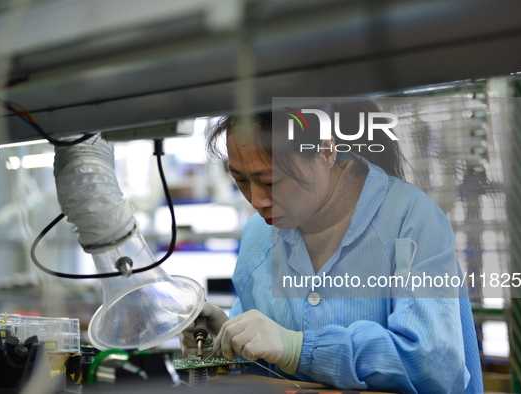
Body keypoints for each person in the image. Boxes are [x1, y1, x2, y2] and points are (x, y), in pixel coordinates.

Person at [180, 99, 483, 393]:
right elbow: (271, 368)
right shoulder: (259, 235)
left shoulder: (408, 221)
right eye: (242, 181)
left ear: (325, 151)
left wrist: (300, 349)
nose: (257, 200)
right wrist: (226, 345)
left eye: (271, 181)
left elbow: (434, 366)